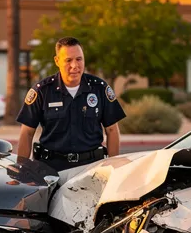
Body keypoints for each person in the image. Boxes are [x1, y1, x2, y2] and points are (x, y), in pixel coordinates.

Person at [16, 37, 125, 171]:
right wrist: (22, 170)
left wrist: (113, 167)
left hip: (90, 169)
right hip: (52, 170)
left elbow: (112, 130)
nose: (75, 66)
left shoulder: (99, 88)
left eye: (79, 59)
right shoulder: (42, 91)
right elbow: (27, 133)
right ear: (57, 61)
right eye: (68, 60)